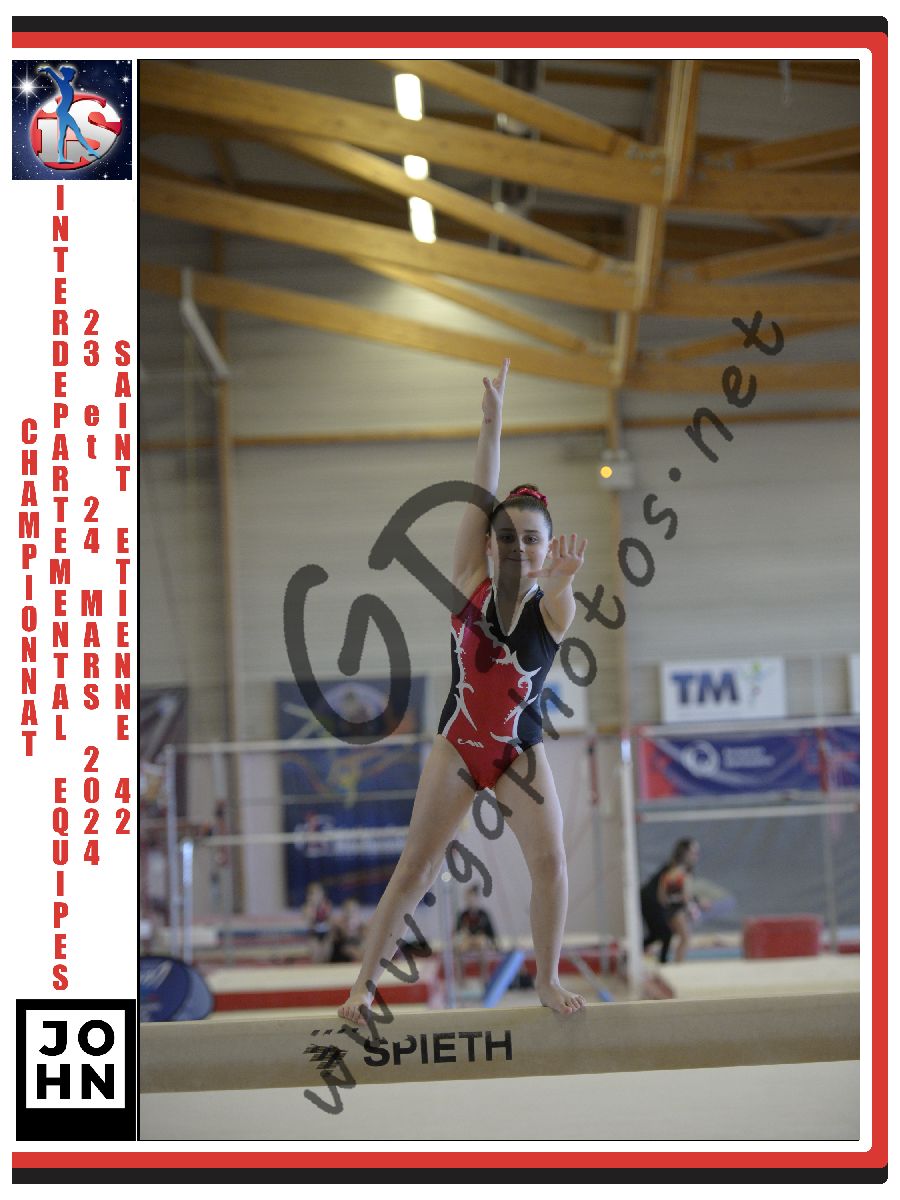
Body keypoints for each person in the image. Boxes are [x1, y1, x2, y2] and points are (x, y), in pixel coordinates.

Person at [339, 359, 588, 1023]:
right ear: (490, 544)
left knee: (550, 862)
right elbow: (482, 491)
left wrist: (562, 579)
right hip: (458, 745)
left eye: (532, 540)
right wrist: (492, 424)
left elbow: (557, 597)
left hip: (517, 754)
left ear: (546, 549)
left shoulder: (554, 607)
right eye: (507, 537)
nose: (519, 547)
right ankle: (363, 988)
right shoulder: (467, 578)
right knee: (416, 868)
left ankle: (546, 979)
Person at [640, 838, 702, 964]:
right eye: (694, 853)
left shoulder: (672, 870)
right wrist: (692, 905)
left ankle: (664, 960)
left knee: (664, 934)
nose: (696, 857)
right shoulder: (679, 872)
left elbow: (663, 895)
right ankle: (673, 962)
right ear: (684, 853)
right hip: (659, 904)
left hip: (666, 905)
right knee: (679, 936)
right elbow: (683, 894)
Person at [455, 885, 499, 988]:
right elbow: (458, 932)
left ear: (476, 898)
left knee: (482, 943)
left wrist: (496, 946)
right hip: (467, 940)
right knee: (458, 951)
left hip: (480, 941)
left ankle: (484, 978)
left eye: (472, 898)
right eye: (467, 899)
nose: (470, 901)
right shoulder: (463, 915)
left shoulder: (483, 914)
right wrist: (459, 941)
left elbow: (491, 933)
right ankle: (461, 980)